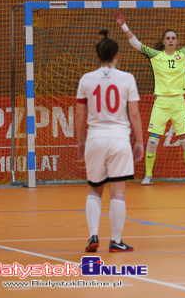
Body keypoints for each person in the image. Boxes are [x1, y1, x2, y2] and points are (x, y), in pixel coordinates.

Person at [114, 4, 185, 185]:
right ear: (163, 41)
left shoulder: (184, 54)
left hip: (179, 102)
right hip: (161, 103)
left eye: (173, 38)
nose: (171, 40)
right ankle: (148, 175)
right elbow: (136, 44)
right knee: (153, 142)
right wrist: (123, 25)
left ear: (177, 41)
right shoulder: (155, 55)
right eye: (168, 38)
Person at [76, 29, 144, 252]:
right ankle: (116, 241)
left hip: (95, 137)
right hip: (119, 139)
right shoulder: (127, 78)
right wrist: (140, 141)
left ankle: (92, 236)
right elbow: (134, 114)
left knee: (94, 190)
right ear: (117, 55)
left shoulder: (86, 79)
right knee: (118, 193)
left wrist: (80, 141)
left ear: (98, 56)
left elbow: (79, 115)